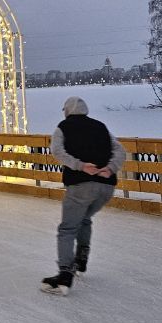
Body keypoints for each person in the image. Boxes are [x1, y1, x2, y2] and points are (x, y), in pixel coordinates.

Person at [40, 96, 127, 296]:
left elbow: (57, 151)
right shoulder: (101, 127)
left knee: (68, 228)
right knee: (84, 218)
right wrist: (110, 168)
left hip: (80, 185)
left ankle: (64, 276)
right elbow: (120, 150)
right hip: (106, 187)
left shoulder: (63, 127)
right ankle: (81, 259)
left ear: (68, 111)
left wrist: (80, 166)